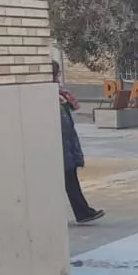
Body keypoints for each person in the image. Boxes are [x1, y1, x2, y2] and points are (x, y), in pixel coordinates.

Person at [55, 62, 104, 225]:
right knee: (69, 181)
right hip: (60, 148)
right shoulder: (51, 97)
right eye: (57, 73)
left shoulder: (60, 96)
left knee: (70, 181)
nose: (59, 77)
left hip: (67, 146)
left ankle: (83, 212)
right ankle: (82, 212)